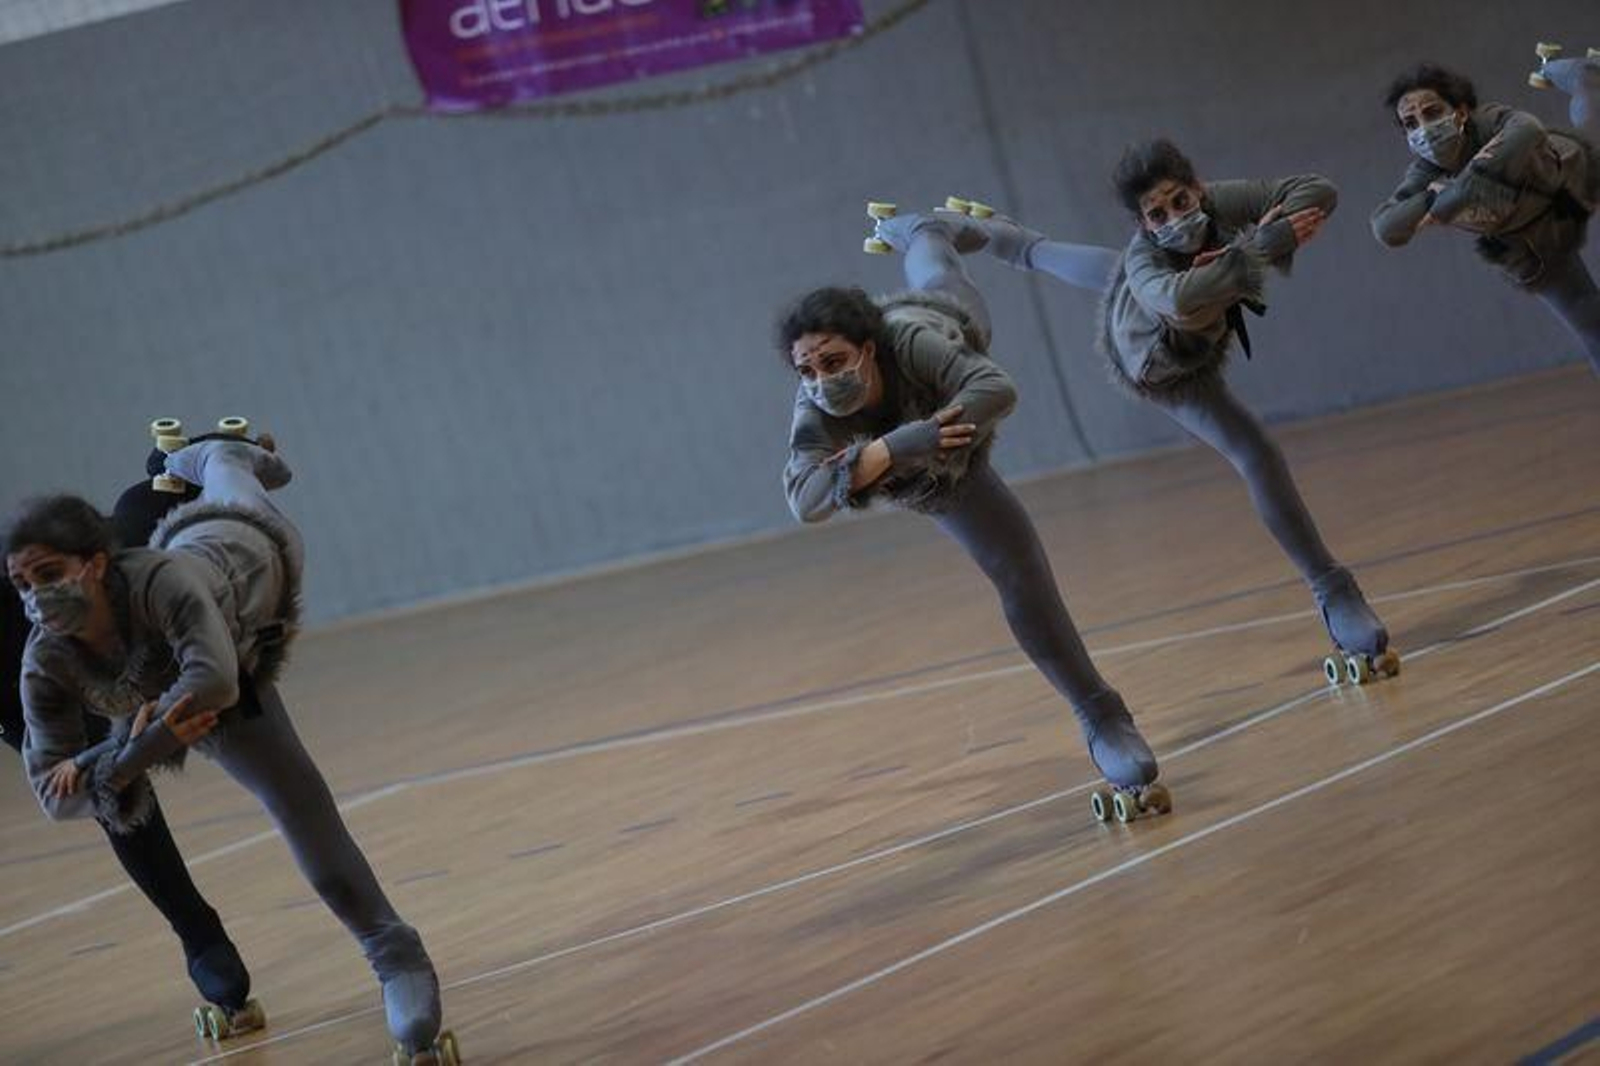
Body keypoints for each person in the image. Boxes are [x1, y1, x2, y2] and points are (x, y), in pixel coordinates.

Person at [5, 433, 457, 1063]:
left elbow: (213, 683)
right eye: (21, 582)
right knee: (254, 785)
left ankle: (222, 457)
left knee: (301, 809)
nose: (35, 596)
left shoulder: (162, 581)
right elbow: (55, 799)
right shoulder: (43, 659)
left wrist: (103, 763)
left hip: (241, 584)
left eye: (49, 574)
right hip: (176, 690)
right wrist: (136, 751)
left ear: (97, 562)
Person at [777, 207, 1169, 824]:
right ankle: (921, 232)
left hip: (945, 335)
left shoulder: (913, 342)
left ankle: (924, 228)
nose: (822, 379)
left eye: (833, 361)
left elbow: (995, 389)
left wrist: (910, 440)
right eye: (807, 370)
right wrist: (899, 447)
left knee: (942, 279)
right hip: (928, 461)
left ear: (870, 352)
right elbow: (805, 498)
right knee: (1012, 570)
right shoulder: (815, 407)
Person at [964, 139, 1398, 685]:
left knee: (1112, 271)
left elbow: (1317, 191)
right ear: (1143, 223)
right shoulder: (1148, 256)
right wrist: (1264, 244)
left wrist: (1264, 230)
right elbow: (1179, 300)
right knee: (1255, 451)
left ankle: (1020, 244)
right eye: (1157, 214)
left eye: (1180, 201)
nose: (1174, 218)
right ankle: (1331, 590)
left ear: (1197, 188)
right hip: (1160, 361)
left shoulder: (1211, 204)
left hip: (1186, 315)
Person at [1372, 63, 1599, 375]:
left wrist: (1451, 197)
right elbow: (1386, 228)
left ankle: (1576, 74)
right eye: (1410, 123)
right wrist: (1429, 198)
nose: (1423, 128)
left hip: (1569, 178)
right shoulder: (1424, 173)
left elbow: (1528, 129)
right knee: (1593, 329)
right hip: (1532, 240)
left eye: (1433, 112)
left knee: (1592, 116)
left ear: (1462, 111)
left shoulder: (1488, 120)